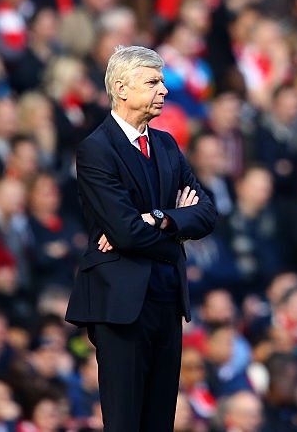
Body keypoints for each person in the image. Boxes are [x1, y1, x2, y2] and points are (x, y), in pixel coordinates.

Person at [65, 45, 217, 432]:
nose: (163, 90)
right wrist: (176, 226)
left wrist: (160, 217)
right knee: (125, 422)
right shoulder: (97, 149)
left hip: (167, 297)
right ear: (121, 88)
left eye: (162, 81)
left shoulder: (166, 144)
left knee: (159, 422)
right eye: (152, 82)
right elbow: (126, 233)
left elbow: (207, 213)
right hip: (120, 304)